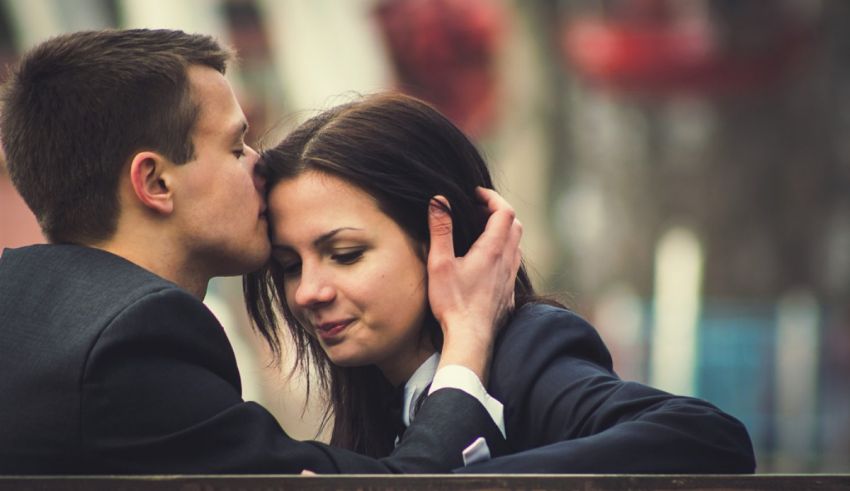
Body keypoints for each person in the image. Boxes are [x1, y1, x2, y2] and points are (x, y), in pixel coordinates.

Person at [0, 29, 523, 474]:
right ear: (155, 181)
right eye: (235, 147)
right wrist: (469, 337)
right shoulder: (133, 342)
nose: (260, 164)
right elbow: (395, 487)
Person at [244, 92, 757, 473]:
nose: (309, 291)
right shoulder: (373, 393)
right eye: (291, 266)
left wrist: (454, 476)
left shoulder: (526, 353)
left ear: (439, 240)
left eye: (345, 254)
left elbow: (707, 437)